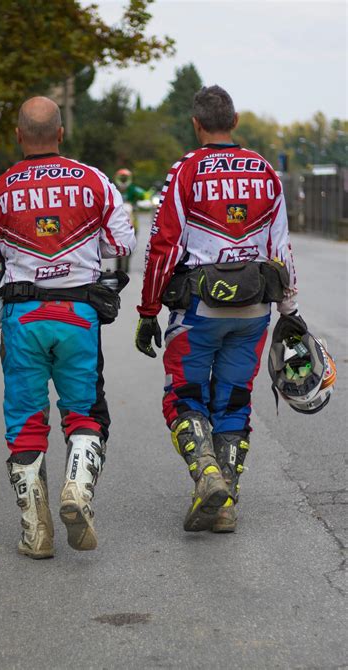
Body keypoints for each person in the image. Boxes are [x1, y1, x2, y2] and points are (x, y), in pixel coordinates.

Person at [0, 96, 136, 558]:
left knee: (25, 420)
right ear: (60, 134)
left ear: (19, 136)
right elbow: (121, 242)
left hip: (23, 319)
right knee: (84, 413)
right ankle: (77, 491)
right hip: (79, 317)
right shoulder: (95, 181)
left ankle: (35, 533)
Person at [135, 85, 303, 533]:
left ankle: (207, 475)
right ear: (235, 120)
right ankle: (225, 503)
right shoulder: (266, 172)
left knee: (185, 397)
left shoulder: (185, 171)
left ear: (196, 124)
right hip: (254, 310)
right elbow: (280, 247)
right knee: (233, 400)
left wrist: (149, 309)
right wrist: (290, 309)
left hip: (198, 312)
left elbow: (163, 246)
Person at [113, 168, 146, 272]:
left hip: (132, 219)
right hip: (116, 220)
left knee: (133, 242)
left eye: (125, 178)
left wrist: (142, 200)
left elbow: (144, 195)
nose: (123, 180)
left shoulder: (134, 189)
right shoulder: (112, 188)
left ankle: (127, 259)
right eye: (121, 178)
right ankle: (118, 263)